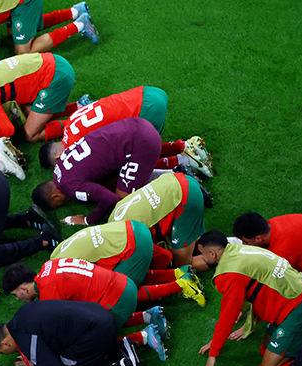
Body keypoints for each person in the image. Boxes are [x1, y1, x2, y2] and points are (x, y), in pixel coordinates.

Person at [2, 260, 170, 360]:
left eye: (15, 294)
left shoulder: (48, 295)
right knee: (93, 319)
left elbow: (60, 334)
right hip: (124, 284)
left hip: (118, 299)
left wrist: (32, 355)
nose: (17, 299)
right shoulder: (49, 265)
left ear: (24, 289)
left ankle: (145, 337)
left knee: (90, 344)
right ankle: (149, 316)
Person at [196, 230, 302, 366]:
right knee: (264, 349)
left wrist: (213, 353)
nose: (202, 258)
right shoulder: (240, 250)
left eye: (202, 254)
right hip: (296, 293)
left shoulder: (229, 273)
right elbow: (261, 285)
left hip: (296, 309)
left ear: (213, 254)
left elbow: (228, 315)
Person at [52, 86, 214, 178]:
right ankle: (184, 147)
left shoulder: (76, 146)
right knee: (135, 152)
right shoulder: (70, 123)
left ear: (58, 157)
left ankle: (186, 163)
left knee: (129, 169)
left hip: (145, 111)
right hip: (148, 94)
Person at [0, 300, 139, 366]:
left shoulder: (24, 338)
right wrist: (36, 359)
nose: (7, 354)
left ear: (5, 343)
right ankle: (120, 348)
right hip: (101, 315)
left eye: (3, 352)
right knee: (65, 357)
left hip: (97, 332)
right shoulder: (21, 314)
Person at [32, 117, 163, 225]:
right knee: (114, 181)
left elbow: (110, 199)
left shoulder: (70, 186)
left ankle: (176, 177)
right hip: (136, 124)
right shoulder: (59, 164)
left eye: (58, 205)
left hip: (142, 142)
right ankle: (178, 157)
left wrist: (86, 220)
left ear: (55, 196)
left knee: (124, 202)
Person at [50, 220, 206, 306]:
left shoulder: (63, 280)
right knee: (125, 273)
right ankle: (178, 273)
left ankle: (182, 285)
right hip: (134, 228)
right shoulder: (54, 257)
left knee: (121, 293)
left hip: (131, 247)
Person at [108, 172, 209, 270]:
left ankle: (216, 254)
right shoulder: (112, 219)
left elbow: (180, 262)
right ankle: (216, 244)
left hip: (186, 197)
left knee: (181, 265)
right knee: (176, 245)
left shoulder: (130, 243)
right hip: (173, 180)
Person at [0, 53, 76, 142]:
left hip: (56, 76)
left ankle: (80, 121)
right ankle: (79, 106)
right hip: (50, 59)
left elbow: (8, 130)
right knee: (29, 115)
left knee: (31, 133)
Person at [233, 212, 302, 273]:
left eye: (246, 242)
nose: (244, 244)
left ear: (258, 239)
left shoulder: (280, 253)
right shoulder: (273, 222)